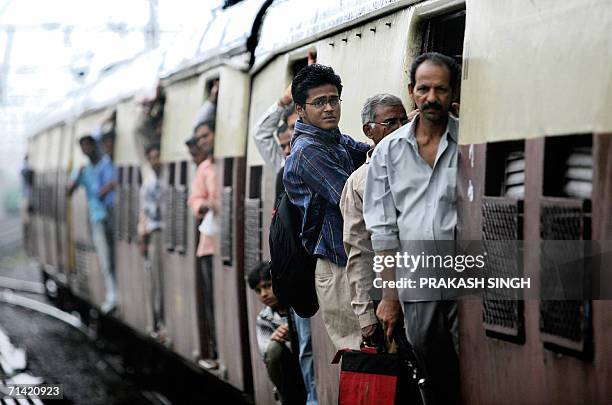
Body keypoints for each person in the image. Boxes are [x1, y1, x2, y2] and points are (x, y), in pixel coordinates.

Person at [363, 52, 462, 405]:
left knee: (467, 367)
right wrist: (389, 296)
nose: (431, 98)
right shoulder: (389, 151)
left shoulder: (467, 143)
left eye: (440, 89)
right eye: (424, 89)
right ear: (412, 91)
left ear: (453, 93)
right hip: (416, 283)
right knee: (429, 369)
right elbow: (383, 231)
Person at [283, 64, 370, 351]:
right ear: (301, 109)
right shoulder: (308, 151)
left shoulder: (334, 140)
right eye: (319, 102)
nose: (329, 108)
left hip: (350, 261)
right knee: (360, 352)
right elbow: (349, 195)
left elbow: (368, 151)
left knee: (373, 353)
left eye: (334, 100)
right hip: (337, 265)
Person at [251, 85, 318, 405]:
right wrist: (283, 100)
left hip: (323, 265)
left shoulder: (322, 157)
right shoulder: (285, 166)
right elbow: (261, 134)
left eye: (295, 130)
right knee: (305, 344)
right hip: (298, 272)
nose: (291, 141)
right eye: (288, 133)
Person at [339, 94, 411, 342]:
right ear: (369, 131)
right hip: (392, 301)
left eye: (405, 122)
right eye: (391, 123)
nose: (401, 130)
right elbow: (358, 251)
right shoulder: (359, 182)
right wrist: (366, 317)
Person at [68, 134, 118, 313]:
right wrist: (77, 176)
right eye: (83, 147)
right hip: (97, 217)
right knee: (105, 257)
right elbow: (69, 189)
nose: (87, 149)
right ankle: (113, 295)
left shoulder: (106, 163)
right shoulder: (84, 169)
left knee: (114, 256)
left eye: (89, 145)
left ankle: (115, 293)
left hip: (113, 214)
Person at [247, 262, 306, 405]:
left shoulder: (299, 307)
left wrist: (292, 330)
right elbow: (267, 356)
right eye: (258, 290)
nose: (264, 294)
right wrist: (281, 339)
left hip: (307, 365)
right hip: (290, 376)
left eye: (267, 286)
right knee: (274, 349)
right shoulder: (264, 318)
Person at [187, 120, 218, 368]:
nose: (203, 141)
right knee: (212, 298)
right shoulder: (204, 168)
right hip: (209, 242)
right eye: (200, 139)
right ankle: (216, 347)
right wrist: (202, 205)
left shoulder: (222, 165)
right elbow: (194, 199)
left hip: (226, 242)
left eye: (206, 136)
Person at [138, 143, 165, 337]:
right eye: (152, 157)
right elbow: (149, 212)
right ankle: (157, 320)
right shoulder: (149, 185)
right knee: (155, 277)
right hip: (155, 233)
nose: (156, 161)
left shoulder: (164, 181)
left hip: (162, 232)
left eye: (158, 156)